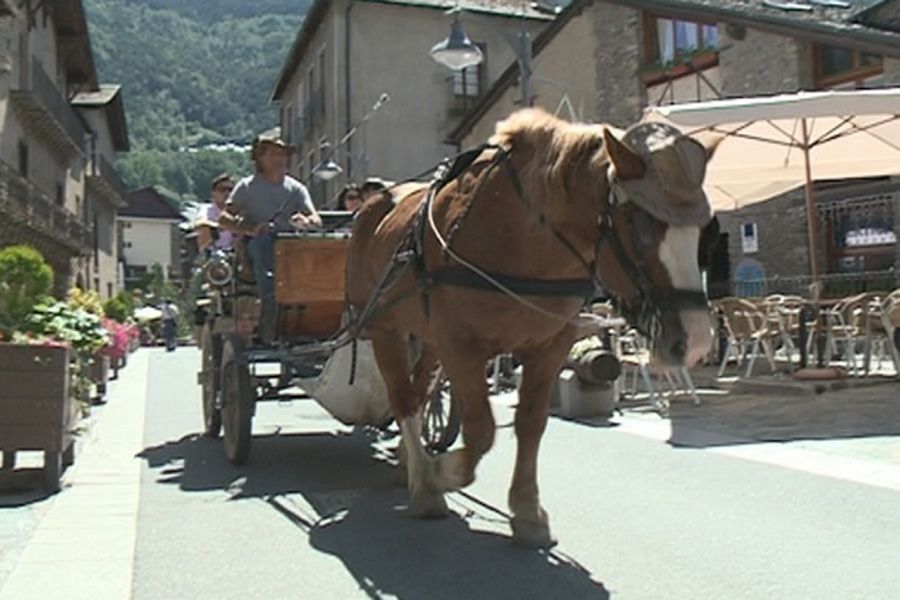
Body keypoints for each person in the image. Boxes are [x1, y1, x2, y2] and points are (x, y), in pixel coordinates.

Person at [218, 132, 322, 343]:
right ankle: (270, 308)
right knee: (264, 246)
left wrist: (305, 221)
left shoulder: (296, 188)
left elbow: (316, 219)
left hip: (292, 244)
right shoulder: (247, 187)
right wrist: (250, 228)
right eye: (274, 154)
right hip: (260, 243)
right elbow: (224, 218)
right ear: (260, 158)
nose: (280, 159)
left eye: (283, 154)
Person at [194, 173, 236, 253]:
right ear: (213, 193)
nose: (227, 193)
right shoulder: (207, 209)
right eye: (222, 189)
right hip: (214, 252)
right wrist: (223, 226)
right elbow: (200, 222)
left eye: (230, 190)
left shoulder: (239, 211)